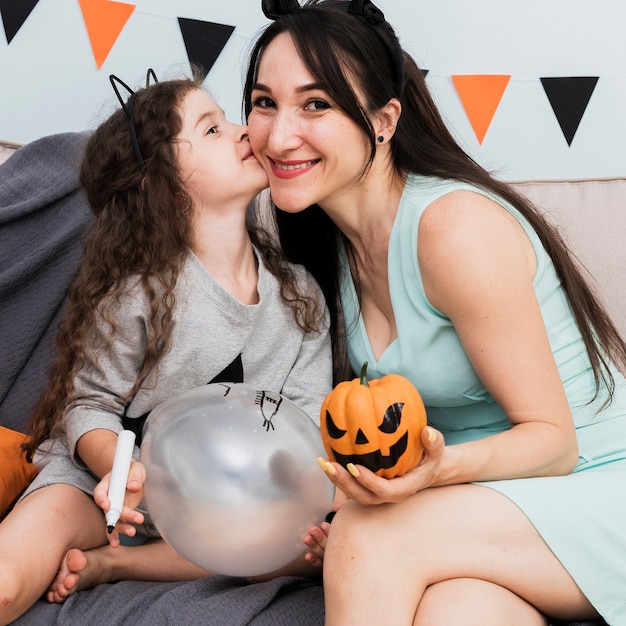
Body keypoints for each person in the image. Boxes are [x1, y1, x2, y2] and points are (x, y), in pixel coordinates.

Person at [243, 1, 626, 624]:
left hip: (596, 487)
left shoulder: (452, 229)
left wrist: (436, 471)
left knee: (366, 537)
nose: (279, 136)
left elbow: (554, 444)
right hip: (487, 510)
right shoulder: (324, 248)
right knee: (459, 612)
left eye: (316, 105)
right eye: (264, 103)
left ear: (385, 119)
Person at [0, 70, 333, 624]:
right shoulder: (140, 290)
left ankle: (117, 566)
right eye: (210, 129)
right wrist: (121, 472)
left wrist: (291, 503)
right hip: (100, 491)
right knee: (6, 583)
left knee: (313, 553)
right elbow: (88, 406)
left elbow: (309, 422)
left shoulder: (301, 300)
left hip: (221, 513)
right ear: (163, 184)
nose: (242, 132)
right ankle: (112, 548)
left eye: (227, 119)